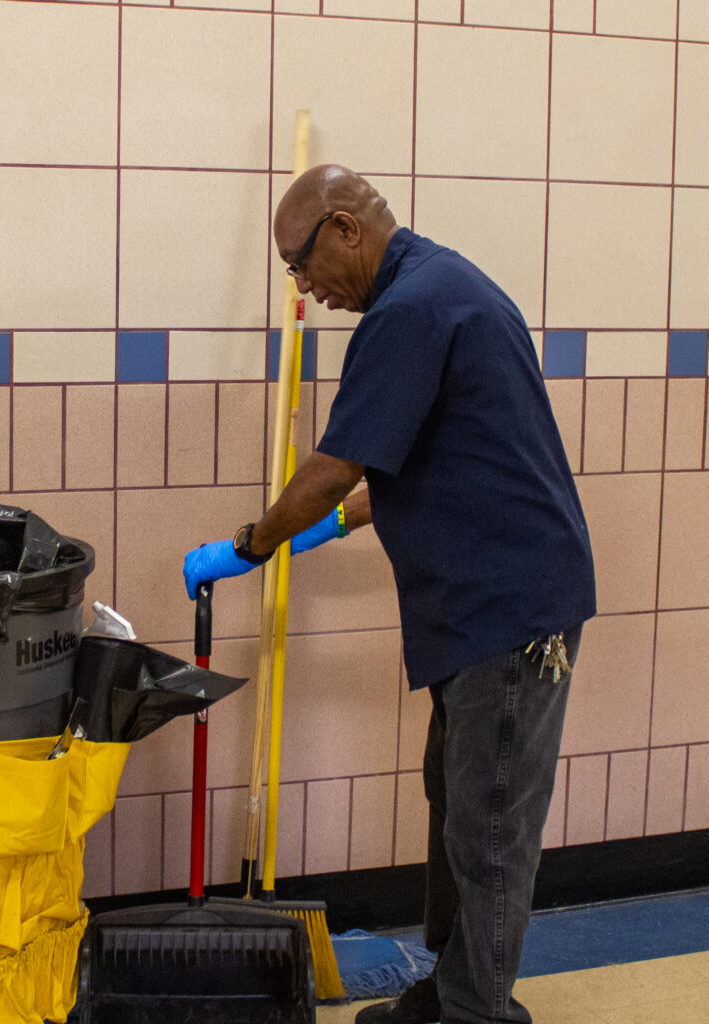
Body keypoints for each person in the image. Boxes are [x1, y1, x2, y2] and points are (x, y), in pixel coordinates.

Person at [182, 165, 597, 1024]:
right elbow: (426, 455)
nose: (305, 288)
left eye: (301, 265)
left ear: (344, 228)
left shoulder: (408, 311)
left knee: (488, 827)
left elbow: (337, 465)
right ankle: (451, 992)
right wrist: (333, 527)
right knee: (456, 794)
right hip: (485, 600)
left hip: (509, 609)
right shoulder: (442, 284)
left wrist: (249, 546)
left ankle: (477, 1013)